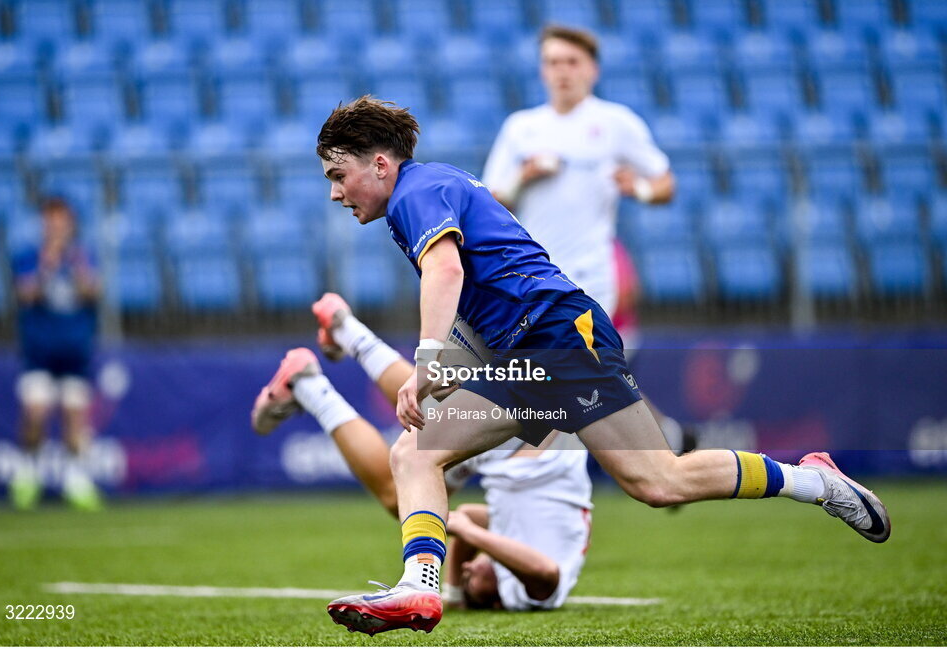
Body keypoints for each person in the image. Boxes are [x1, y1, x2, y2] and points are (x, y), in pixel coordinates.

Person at [256, 96, 889, 636]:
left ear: (381, 164)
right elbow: (477, 288)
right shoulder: (428, 189)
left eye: (338, 175)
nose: (336, 192)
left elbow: (446, 271)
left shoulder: (416, 192)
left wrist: (427, 361)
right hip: (534, 348)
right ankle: (419, 586)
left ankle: (814, 481)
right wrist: (452, 364)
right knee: (423, 454)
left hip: (559, 337)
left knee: (655, 481)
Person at [251, 293, 593, 611]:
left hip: (544, 433)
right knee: (399, 492)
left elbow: (474, 516)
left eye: (467, 575)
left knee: (423, 414)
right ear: (496, 596)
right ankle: (310, 387)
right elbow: (545, 573)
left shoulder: (521, 544)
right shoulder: (529, 593)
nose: (469, 568)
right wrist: (467, 539)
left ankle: (346, 331)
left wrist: (457, 587)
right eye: (474, 578)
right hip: (526, 447)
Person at [483, 25, 690, 450]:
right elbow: (491, 199)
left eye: (571, 62)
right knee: (572, 375)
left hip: (590, 274)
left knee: (564, 372)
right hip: (532, 276)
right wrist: (525, 176)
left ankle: (528, 467)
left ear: (591, 69)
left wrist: (642, 189)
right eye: (553, 62)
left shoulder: (615, 123)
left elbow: (666, 182)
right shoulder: (522, 128)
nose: (562, 71)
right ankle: (667, 439)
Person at [8, 196, 103, 511]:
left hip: (75, 349)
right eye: (52, 221)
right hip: (40, 348)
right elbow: (25, 293)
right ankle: (28, 474)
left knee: (75, 419)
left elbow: (93, 291)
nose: (57, 227)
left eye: (62, 221)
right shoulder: (28, 257)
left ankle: (76, 481)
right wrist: (48, 265)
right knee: (35, 413)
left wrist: (74, 265)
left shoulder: (84, 256)